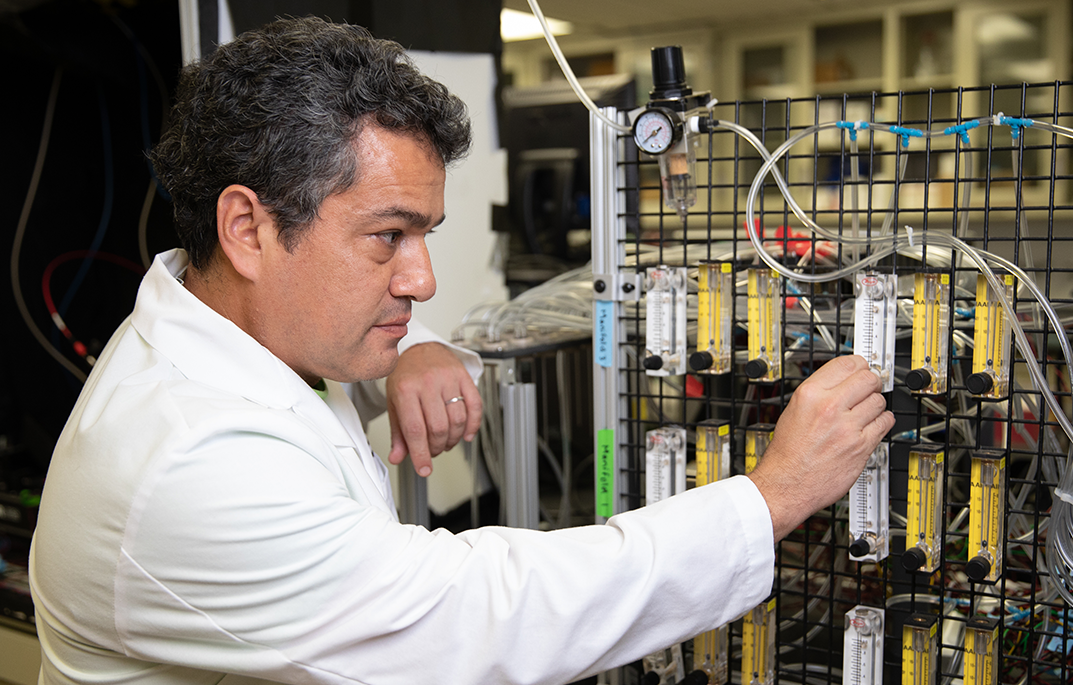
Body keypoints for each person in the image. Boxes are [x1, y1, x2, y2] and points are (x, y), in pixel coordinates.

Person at [29, 17, 894, 685]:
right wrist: (770, 499)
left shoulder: (228, 322)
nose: (424, 281)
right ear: (248, 226)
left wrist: (415, 352)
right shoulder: (188, 461)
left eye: (426, 234)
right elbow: (481, 615)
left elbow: (314, 334)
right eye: (389, 236)